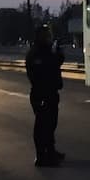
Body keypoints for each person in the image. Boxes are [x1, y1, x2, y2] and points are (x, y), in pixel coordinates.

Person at [25, 24, 65, 167]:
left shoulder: (47, 51)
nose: (49, 37)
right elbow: (42, 72)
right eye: (46, 34)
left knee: (51, 124)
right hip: (41, 94)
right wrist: (53, 54)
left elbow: (57, 62)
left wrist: (58, 51)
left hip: (51, 93)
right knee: (42, 126)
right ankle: (41, 156)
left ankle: (51, 151)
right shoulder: (35, 53)